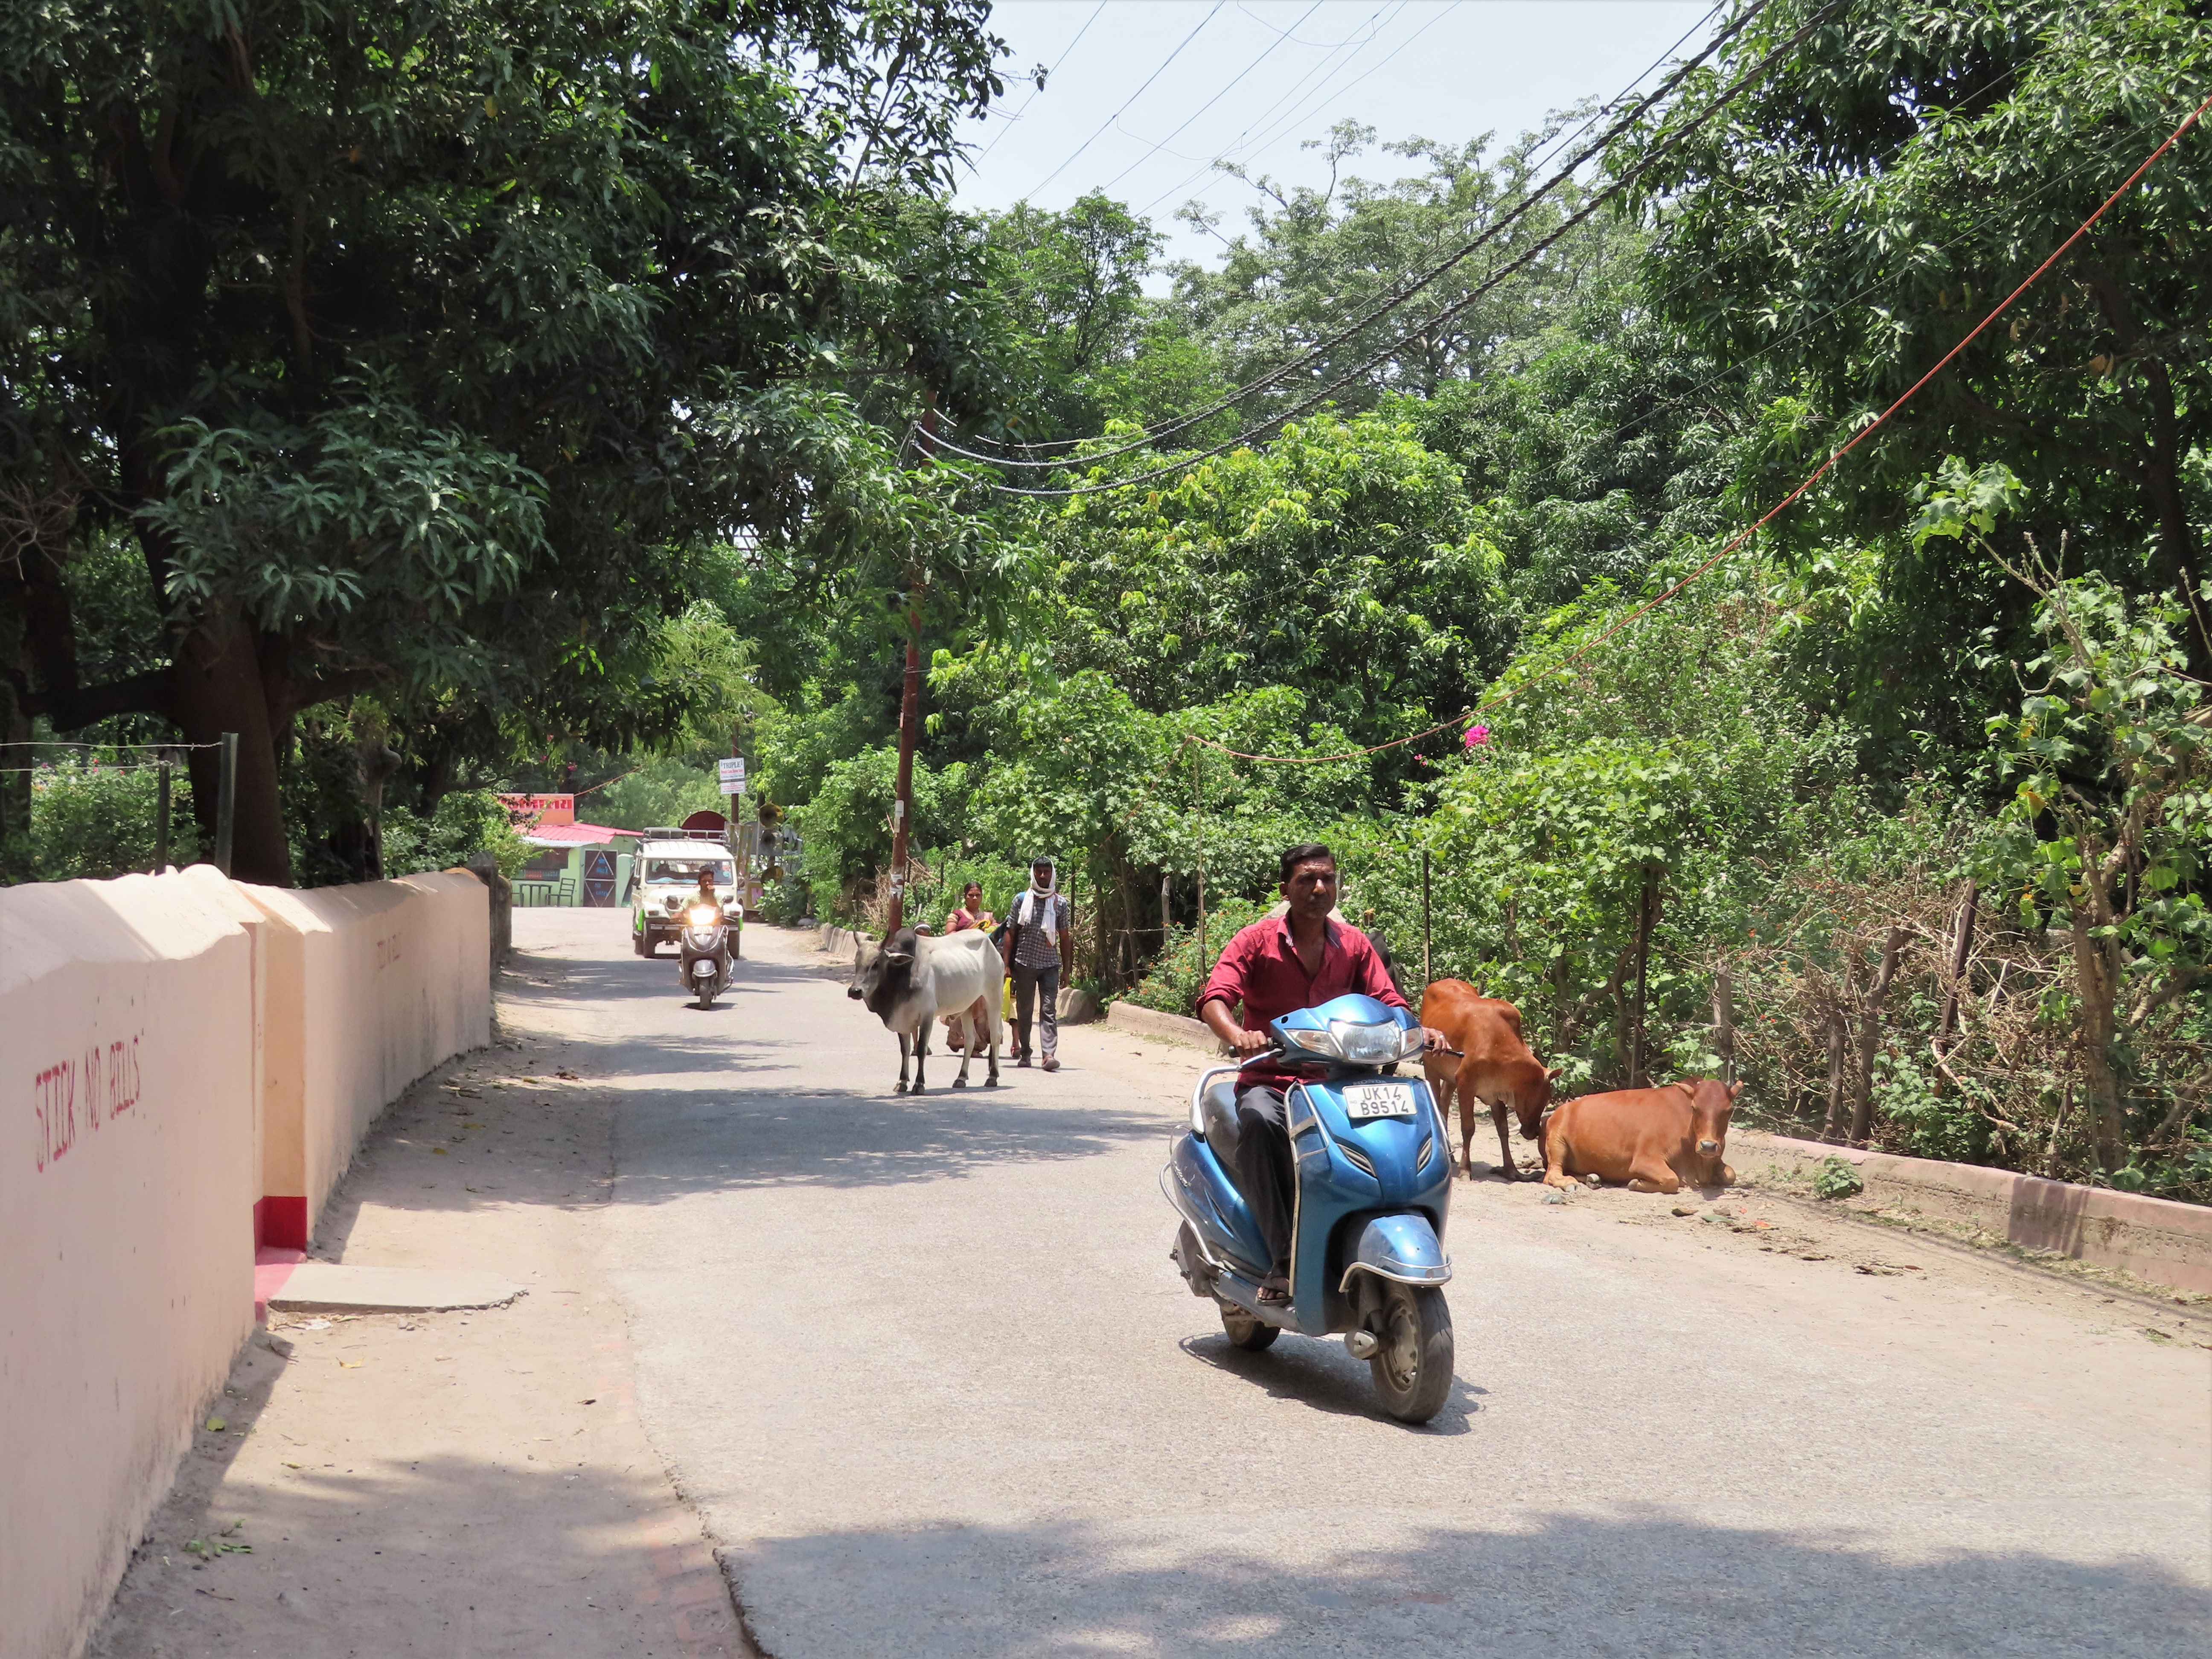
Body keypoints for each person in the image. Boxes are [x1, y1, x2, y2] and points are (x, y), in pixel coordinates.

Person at [1198, 842, 1447, 1303]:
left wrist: (1418, 1028)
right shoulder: (1254, 940)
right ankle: (1284, 1259)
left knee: (1394, 1130)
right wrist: (1237, 1033)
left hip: (1339, 1082)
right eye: (1307, 880)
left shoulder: (1354, 944)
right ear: (1285, 889)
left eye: (1327, 879)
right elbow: (1217, 995)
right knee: (1258, 1121)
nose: (1319, 888)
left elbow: (1390, 1001)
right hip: (1272, 1081)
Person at [1004, 856, 1074, 1071]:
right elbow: (1011, 932)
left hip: (1050, 965)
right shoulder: (1021, 900)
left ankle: (1048, 1055)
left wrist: (1067, 970)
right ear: (1033, 873)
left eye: (1046, 872)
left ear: (1053, 874)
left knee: (1048, 1010)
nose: (1042, 876)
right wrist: (1007, 965)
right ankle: (1025, 1052)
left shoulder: (1060, 904)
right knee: (1024, 1010)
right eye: (1039, 872)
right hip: (1024, 963)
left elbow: (1064, 936)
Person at [942, 881, 994, 1052]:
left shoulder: (988, 916)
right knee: (962, 998)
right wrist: (972, 931)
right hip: (962, 964)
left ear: (982, 896)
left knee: (981, 1000)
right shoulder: (957, 914)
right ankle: (957, 1037)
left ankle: (977, 1042)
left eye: (977, 894)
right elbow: (949, 933)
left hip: (982, 966)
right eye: (971, 895)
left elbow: (995, 933)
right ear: (965, 897)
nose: (974, 897)